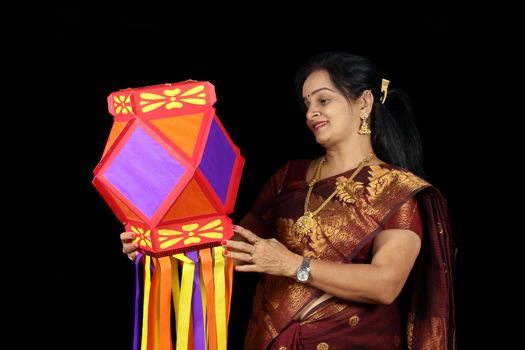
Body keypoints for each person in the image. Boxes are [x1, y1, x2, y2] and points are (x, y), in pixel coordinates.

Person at [121, 51, 456, 350]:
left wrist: (292, 265)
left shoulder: (397, 189)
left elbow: (385, 284)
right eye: (307, 104)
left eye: (323, 100)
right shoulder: (289, 177)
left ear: (364, 103)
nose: (311, 112)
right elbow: (233, 247)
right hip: (270, 339)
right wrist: (162, 241)